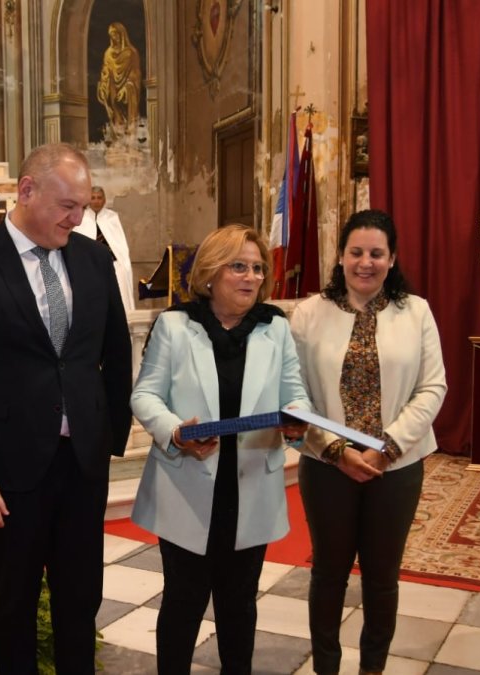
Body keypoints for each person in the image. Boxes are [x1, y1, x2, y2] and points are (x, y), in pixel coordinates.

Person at [0, 143, 132, 673]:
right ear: (26, 190)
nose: (78, 217)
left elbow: (115, 350)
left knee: (80, 600)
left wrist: (112, 436)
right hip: (10, 470)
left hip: (83, 462)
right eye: (67, 205)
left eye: (84, 206)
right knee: (14, 606)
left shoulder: (92, 257)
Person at [130, 224, 310, 674]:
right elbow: (145, 395)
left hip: (250, 485)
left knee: (239, 606)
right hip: (187, 484)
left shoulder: (275, 329)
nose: (250, 277)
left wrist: (295, 420)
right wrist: (175, 431)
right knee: (182, 604)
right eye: (238, 266)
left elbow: (296, 393)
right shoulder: (175, 326)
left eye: (256, 268)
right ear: (210, 273)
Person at [289, 209, 447, 675]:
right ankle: (326, 668)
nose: (366, 262)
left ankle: (372, 668)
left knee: (382, 579)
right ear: (340, 256)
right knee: (328, 575)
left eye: (377, 253)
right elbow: (293, 394)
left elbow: (433, 387)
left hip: (394, 468)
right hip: (326, 466)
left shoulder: (415, 312)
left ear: (392, 258)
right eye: (356, 252)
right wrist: (336, 451)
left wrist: (388, 447)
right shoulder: (309, 314)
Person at [77, 186, 135, 312]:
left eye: (99, 198)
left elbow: (120, 246)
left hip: (114, 264)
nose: (96, 201)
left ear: (104, 200)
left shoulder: (112, 217)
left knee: (121, 282)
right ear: (88, 200)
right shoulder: (80, 219)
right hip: (90, 266)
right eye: (93, 198)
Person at [97, 22, 142, 132]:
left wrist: (127, 88)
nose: (114, 37)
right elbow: (105, 72)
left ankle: (130, 136)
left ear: (122, 34)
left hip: (127, 92)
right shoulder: (107, 54)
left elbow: (135, 74)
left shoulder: (131, 53)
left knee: (129, 120)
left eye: (116, 34)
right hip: (112, 92)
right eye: (111, 34)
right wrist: (103, 84)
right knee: (116, 120)